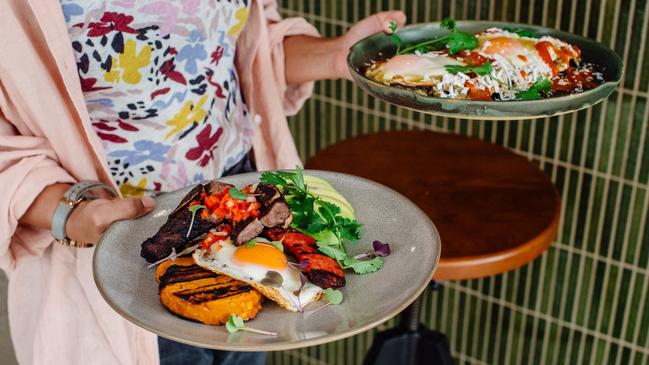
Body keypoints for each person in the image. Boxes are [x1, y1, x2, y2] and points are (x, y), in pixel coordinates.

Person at [0, 0, 405, 364]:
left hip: (247, 210)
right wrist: (75, 215)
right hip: (111, 241)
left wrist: (335, 56)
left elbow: (242, 49)